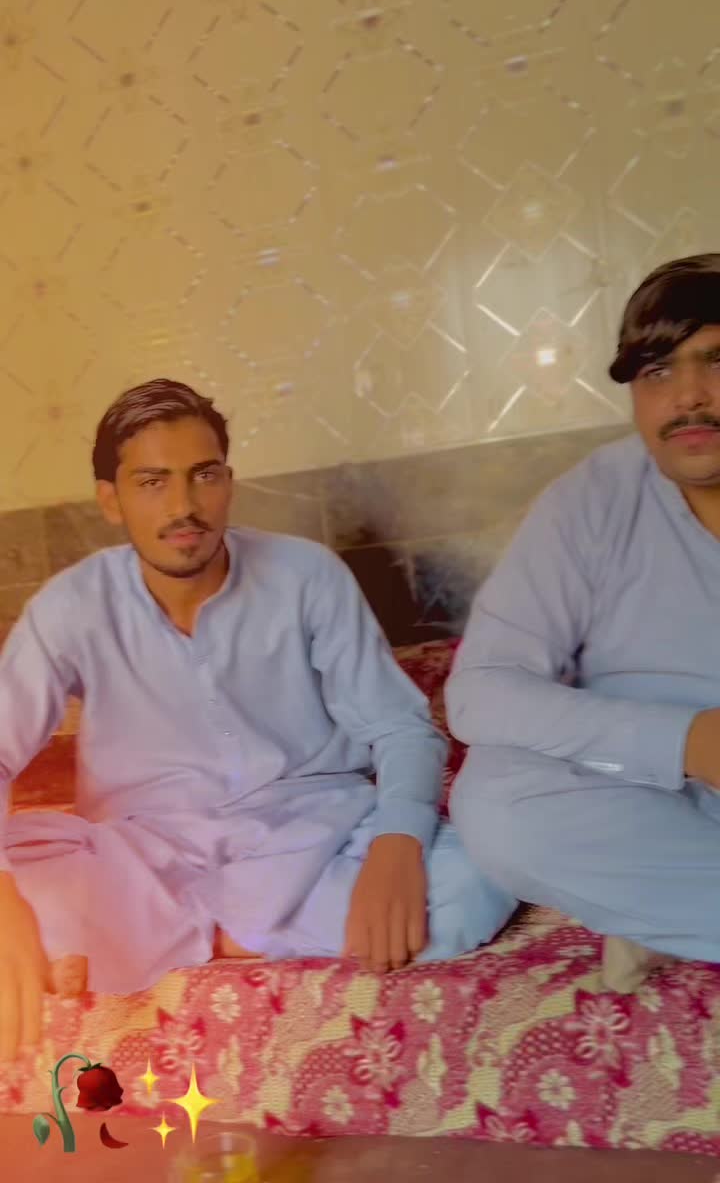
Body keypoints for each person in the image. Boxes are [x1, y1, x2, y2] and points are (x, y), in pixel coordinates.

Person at [0, 379, 515, 1061]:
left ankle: (188, 939)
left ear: (228, 481)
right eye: (152, 482)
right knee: (22, 876)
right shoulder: (71, 606)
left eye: (203, 475)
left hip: (310, 838)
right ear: (110, 500)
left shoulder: (306, 576)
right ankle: (231, 930)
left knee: (477, 879)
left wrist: (397, 845)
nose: (184, 506)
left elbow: (401, 728)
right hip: (145, 862)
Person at [447, 252, 720, 994]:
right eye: (657, 372)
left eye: (716, 360)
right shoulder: (593, 500)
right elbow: (480, 691)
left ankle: (662, 914)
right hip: (651, 795)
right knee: (495, 801)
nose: (689, 396)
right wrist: (686, 741)